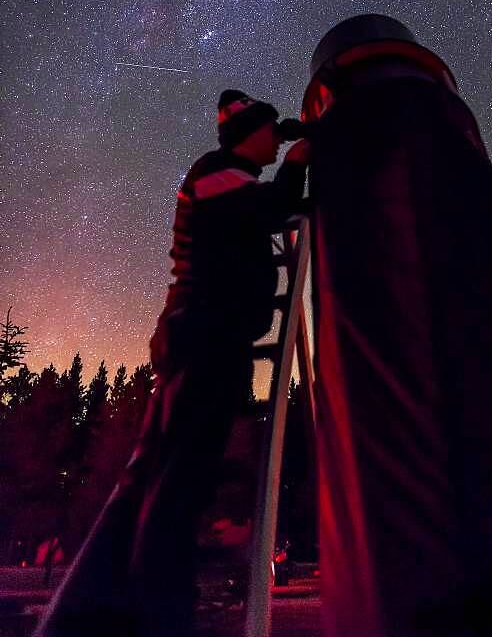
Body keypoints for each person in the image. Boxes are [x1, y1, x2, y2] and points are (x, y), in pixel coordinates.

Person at [36, 90, 309, 637]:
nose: (275, 144)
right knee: (180, 474)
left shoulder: (230, 177)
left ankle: (121, 599)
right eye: (269, 133)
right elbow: (271, 208)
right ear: (246, 134)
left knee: (169, 468)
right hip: (204, 332)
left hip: (209, 335)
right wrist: (298, 162)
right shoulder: (218, 173)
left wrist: (294, 150)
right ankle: (160, 605)